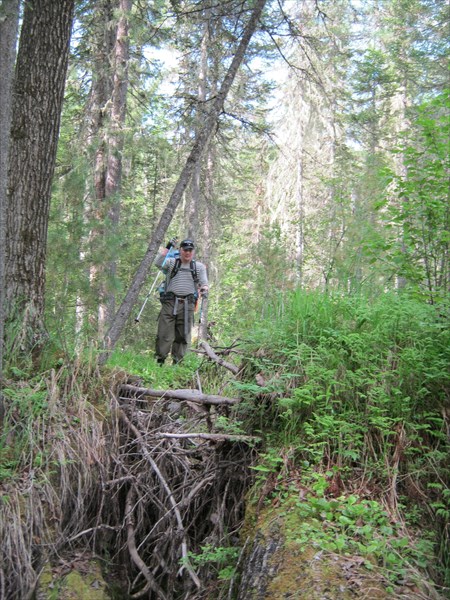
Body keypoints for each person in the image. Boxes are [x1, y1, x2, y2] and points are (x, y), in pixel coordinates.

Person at [155, 238, 209, 365]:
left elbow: (204, 283)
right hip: (169, 302)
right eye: (185, 250)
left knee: (183, 335)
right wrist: (167, 248)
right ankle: (160, 361)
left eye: (190, 250)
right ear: (180, 250)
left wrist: (204, 289)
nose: (187, 253)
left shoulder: (199, 267)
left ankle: (177, 363)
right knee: (164, 333)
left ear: (193, 251)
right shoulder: (171, 262)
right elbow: (158, 263)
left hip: (188, 304)